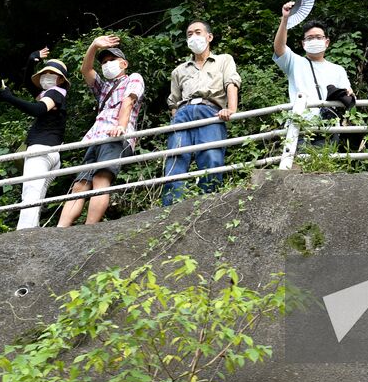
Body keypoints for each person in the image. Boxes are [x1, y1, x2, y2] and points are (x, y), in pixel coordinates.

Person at [59, 35, 144, 227]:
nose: (107, 65)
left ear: (124, 63)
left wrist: (121, 126)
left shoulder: (133, 78)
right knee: (80, 185)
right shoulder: (104, 87)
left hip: (117, 137)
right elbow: (86, 70)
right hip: (96, 138)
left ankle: (90, 229)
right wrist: (94, 46)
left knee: (100, 179)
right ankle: (60, 229)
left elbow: (128, 101)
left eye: (111, 60)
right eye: (104, 62)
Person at [163, 20, 241, 205]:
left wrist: (231, 109)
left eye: (198, 32)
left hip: (210, 110)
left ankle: (209, 203)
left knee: (211, 156)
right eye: (189, 34)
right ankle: (170, 207)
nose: (193, 37)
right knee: (176, 156)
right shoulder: (179, 70)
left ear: (209, 37)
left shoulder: (224, 60)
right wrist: (176, 116)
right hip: (183, 112)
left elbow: (231, 82)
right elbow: (173, 101)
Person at [0, 49, 70, 229]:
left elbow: (37, 109)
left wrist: (10, 98)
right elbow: (29, 86)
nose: (47, 76)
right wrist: (31, 61)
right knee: (36, 197)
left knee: (30, 195)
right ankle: (33, 233)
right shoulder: (50, 94)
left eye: (52, 74)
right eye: (44, 72)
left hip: (40, 151)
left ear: (61, 79)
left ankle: (24, 235)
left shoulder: (55, 93)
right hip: (53, 153)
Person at [272, 3, 352, 108]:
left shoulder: (338, 70)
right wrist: (285, 19)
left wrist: (349, 93)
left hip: (331, 123)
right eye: (309, 38)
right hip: (300, 122)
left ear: (327, 42)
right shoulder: (294, 62)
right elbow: (279, 47)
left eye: (318, 37)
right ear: (303, 43)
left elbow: (348, 95)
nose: (314, 40)